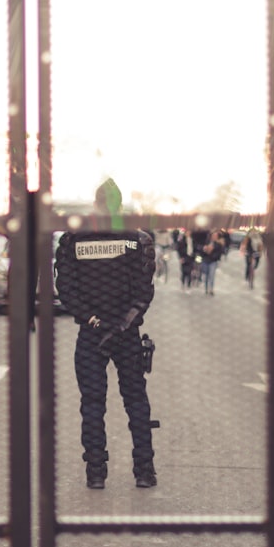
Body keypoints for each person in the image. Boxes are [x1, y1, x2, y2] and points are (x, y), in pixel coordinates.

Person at [54, 178, 158, 490]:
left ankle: (96, 472)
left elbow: (66, 289)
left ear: (96, 204)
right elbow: (144, 292)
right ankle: (144, 470)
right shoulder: (138, 240)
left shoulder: (74, 239)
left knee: (92, 404)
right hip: (126, 334)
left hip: (91, 333)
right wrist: (122, 325)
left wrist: (93, 320)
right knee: (136, 401)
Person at [201, 230, 225, 295]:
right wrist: (204, 250)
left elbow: (220, 252)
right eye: (213, 235)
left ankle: (211, 289)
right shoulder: (207, 242)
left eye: (215, 236)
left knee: (211, 276)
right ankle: (206, 289)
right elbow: (202, 250)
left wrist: (213, 255)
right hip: (205, 260)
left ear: (217, 237)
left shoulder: (219, 244)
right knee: (206, 275)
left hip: (213, 261)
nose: (214, 237)